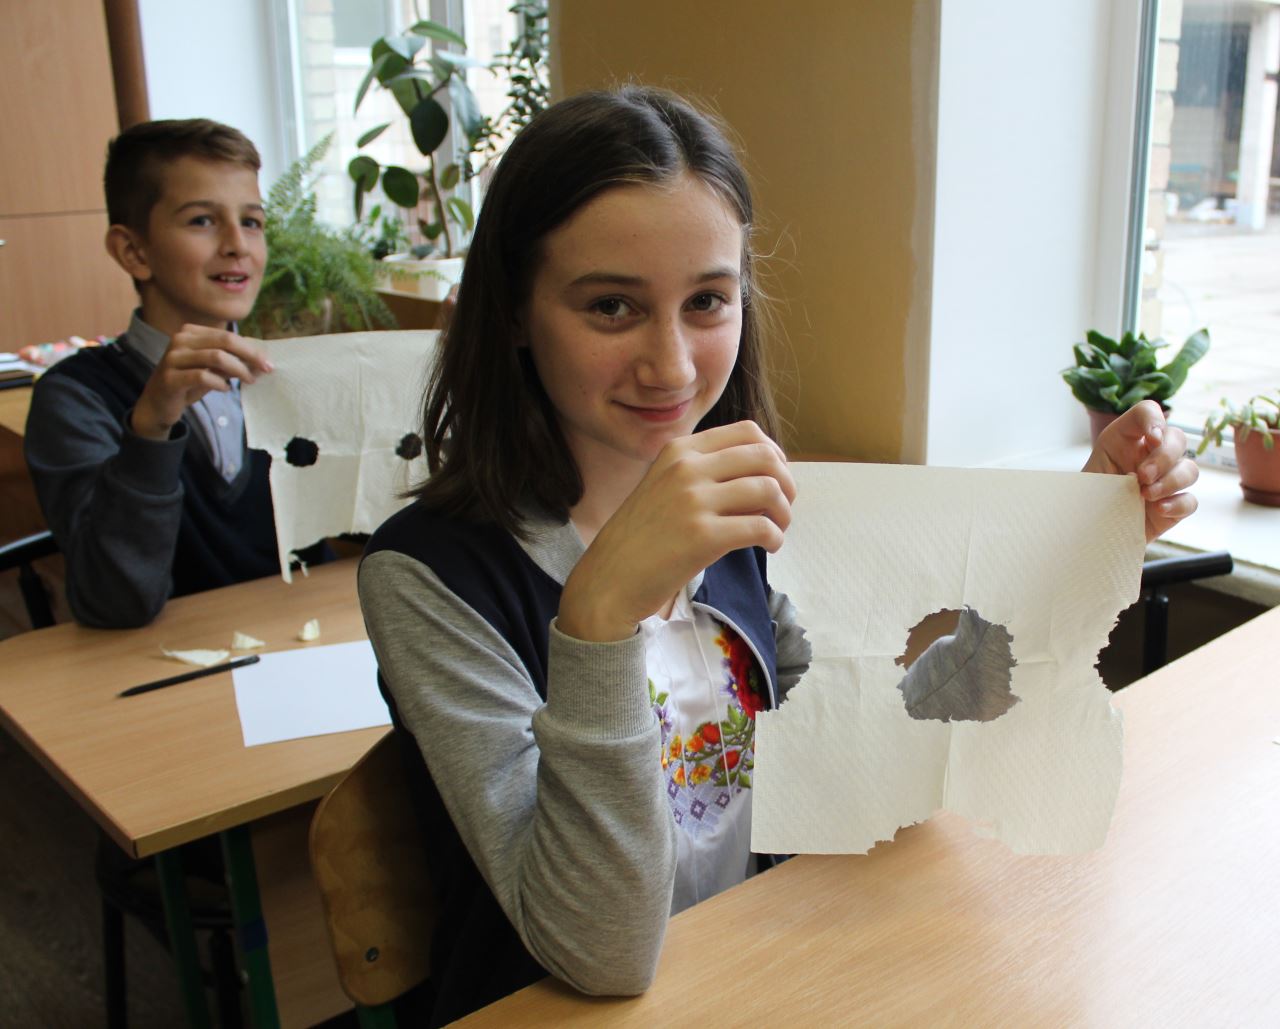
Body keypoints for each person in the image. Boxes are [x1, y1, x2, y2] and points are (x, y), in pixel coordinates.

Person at [358, 86, 1199, 1024]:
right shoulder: (427, 576)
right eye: (611, 306)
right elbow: (602, 951)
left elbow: (884, 742)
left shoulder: (743, 512)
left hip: (753, 970)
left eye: (707, 301)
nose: (673, 364)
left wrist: (1084, 530)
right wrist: (598, 616)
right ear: (515, 309)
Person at [23, 118, 308, 628]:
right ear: (134, 252)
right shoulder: (73, 399)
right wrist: (151, 427)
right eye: (202, 220)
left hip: (306, 643)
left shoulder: (287, 375)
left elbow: (377, 524)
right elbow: (115, 601)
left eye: (252, 221)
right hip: (166, 663)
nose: (238, 244)